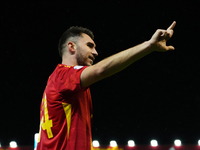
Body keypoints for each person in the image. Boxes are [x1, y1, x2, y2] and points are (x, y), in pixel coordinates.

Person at [36, 21, 176, 150]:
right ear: (71, 46)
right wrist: (149, 45)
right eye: (90, 46)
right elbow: (100, 70)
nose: (95, 52)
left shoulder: (64, 82)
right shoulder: (63, 76)